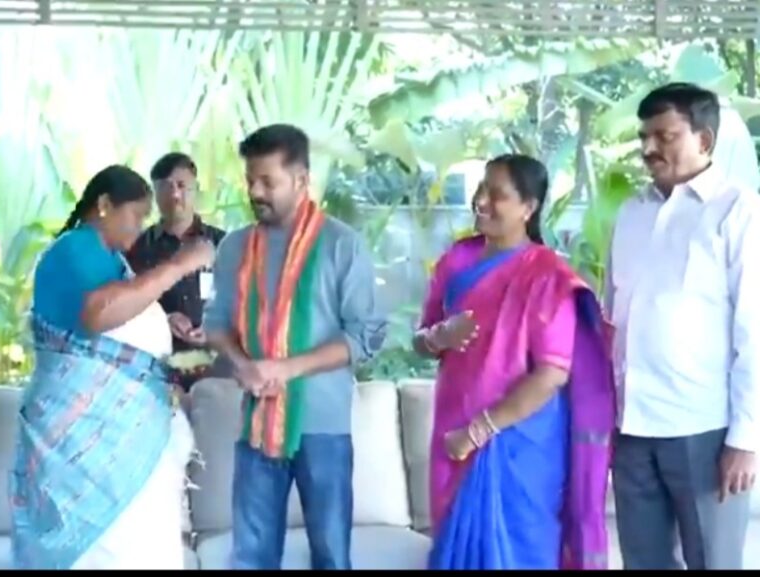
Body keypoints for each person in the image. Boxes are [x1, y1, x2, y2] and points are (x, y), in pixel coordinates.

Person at [415, 154, 615, 570]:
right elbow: (421, 340)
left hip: (520, 442)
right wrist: (439, 337)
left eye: (497, 194)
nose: (481, 201)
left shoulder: (547, 275)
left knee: (522, 550)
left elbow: (551, 373)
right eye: (481, 189)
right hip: (453, 429)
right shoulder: (457, 260)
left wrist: (477, 431)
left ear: (529, 207)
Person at [9, 165, 214, 570]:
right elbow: (98, 312)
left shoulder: (110, 257)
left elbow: (120, 312)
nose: (140, 227)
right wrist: (177, 266)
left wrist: (160, 319)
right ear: (104, 205)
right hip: (85, 439)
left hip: (124, 439)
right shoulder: (75, 247)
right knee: (105, 552)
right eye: (136, 215)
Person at [204, 124, 387, 570]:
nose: (255, 191)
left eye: (268, 181)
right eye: (251, 180)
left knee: (330, 556)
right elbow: (216, 324)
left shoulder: (342, 245)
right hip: (257, 427)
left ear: (302, 180)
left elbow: (366, 335)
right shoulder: (234, 247)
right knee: (250, 559)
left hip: (323, 428)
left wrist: (286, 368)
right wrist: (243, 365)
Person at [607, 82, 759, 570]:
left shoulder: (740, 211)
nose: (649, 148)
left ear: (705, 140)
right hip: (632, 426)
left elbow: (754, 332)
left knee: (713, 561)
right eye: (644, 137)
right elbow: (614, 318)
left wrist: (746, 440)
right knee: (643, 561)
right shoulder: (631, 214)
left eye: (665, 136)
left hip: (704, 428)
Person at [126, 152, 226, 365]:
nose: (175, 195)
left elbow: (244, 302)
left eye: (182, 185)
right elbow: (126, 306)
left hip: (219, 361)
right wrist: (165, 319)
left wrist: (216, 330)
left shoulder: (224, 244)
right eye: (165, 187)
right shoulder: (136, 248)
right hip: (157, 363)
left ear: (196, 189)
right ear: (155, 194)